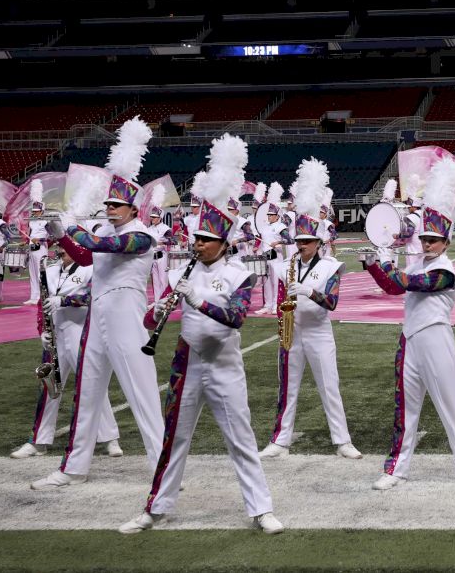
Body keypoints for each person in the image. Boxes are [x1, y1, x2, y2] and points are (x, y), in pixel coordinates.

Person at [120, 137, 282, 534]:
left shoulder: (240, 274)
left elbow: (236, 318)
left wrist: (197, 300)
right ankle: (155, 507)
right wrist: (156, 311)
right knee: (173, 439)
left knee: (240, 440)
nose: (198, 245)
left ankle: (261, 509)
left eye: (206, 240)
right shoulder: (180, 273)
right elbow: (147, 322)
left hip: (225, 366)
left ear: (224, 243)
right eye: (196, 239)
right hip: (187, 364)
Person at [32, 116, 165, 490]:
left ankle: (162, 464)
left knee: (142, 395)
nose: (109, 209)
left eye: (116, 206)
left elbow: (103, 247)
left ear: (133, 209)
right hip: (99, 316)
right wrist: (62, 236)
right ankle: (73, 467)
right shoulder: (107, 229)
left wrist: (73, 225)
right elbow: (88, 257)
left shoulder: (142, 235)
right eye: (108, 204)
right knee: (87, 395)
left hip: (127, 316)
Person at [362, 155, 455, 491]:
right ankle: (395, 469)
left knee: (450, 407)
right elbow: (392, 287)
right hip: (410, 341)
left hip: (436, 340)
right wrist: (373, 265)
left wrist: (387, 265)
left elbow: (410, 283)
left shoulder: (445, 270)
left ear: (446, 242)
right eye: (424, 239)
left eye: (433, 240)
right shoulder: (418, 263)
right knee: (405, 411)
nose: (427, 244)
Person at [260, 158, 361, 461]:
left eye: (306, 241)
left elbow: (332, 302)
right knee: (287, 389)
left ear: (318, 242)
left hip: (319, 333)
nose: (301, 245)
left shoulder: (331, 266)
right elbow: (279, 299)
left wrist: (308, 291)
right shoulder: (287, 265)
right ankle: (280, 440)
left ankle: (342, 440)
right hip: (293, 334)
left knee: (329, 387)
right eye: (299, 241)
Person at [10, 247, 122, 460]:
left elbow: (94, 296)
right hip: (56, 334)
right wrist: (42, 330)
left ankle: (110, 438)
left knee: (93, 384)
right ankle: (39, 441)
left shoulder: (91, 268)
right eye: (58, 246)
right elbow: (42, 303)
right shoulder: (50, 270)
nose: (60, 250)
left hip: (81, 333)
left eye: (65, 247)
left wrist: (64, 300)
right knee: (50, 387)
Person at [254, 183, 290, 316]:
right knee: (266, 283)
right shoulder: (264, 227)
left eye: (271, 215)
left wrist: (278, 242)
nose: (268, 216)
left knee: (276, 282)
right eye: (268, 214)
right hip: (266, 257)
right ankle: (267, 305)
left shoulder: (280, 226)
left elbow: (289, 240)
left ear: (277, 216)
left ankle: (276, 304)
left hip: (276, 258)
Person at [24, 180, 50, 305]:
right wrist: (26, 241)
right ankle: (33, 296)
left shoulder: (47, 221)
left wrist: (40, 240)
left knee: (41, 273)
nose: (34, 212)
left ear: (42, 210)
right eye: (33, 210)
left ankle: (41, 296)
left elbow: (52, 237)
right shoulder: (31, 221)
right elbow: (30, 234)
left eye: (36, 211)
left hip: (41, 248)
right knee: (32, 273)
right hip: (32, 247)